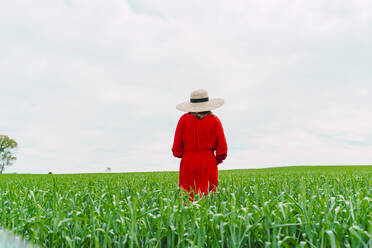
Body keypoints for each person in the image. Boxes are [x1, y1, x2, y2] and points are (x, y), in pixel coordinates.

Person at [172, 89, 228, 201]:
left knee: (187, 200)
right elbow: (223, 149)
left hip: (188, 164)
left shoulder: (183, 120)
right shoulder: (215, 120)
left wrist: (187, 155)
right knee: (209, 200)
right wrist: (213, 160)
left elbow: (176, 149)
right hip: (209, 163)